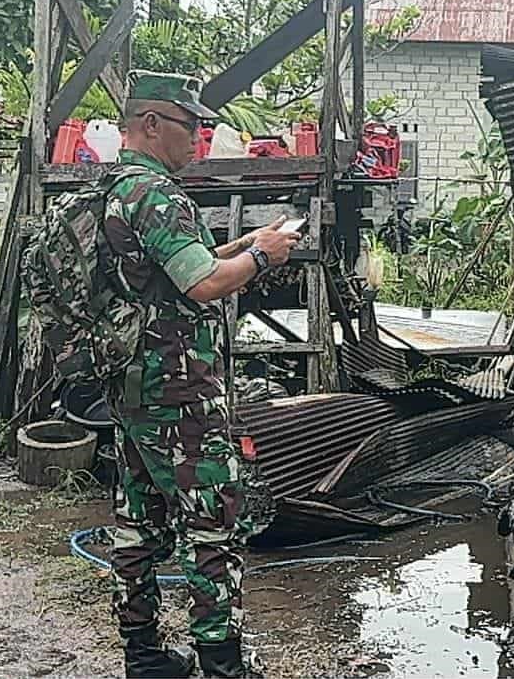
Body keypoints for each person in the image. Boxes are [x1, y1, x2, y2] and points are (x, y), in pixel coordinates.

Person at [102, 71, 299, 678]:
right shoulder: (156, 195)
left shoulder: (114, 188)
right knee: (212, 524)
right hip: (179, 395)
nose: (199, 141)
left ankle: (145, 659)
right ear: (151, 125)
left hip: (133, 390)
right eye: (191, 128)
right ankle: (221, 665)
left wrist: (246, 242)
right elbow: (203, 284)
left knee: (136, 525)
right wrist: (264, 257)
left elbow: (181, 264)